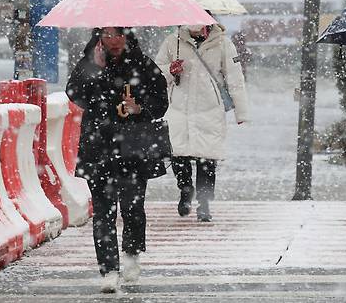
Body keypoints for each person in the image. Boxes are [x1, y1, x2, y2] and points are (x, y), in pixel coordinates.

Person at [66, 27, 169, 293]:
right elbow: (74, 93)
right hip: (98, 147)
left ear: (127, 36)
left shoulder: (143, 64)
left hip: (133, 149)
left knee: (133, 208)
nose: (114, 41)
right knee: (103, 212)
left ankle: (132, 254)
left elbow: (161, 103)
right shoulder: (89, 62)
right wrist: (95, 70)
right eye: (108, 35)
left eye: (119, 35)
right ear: (99, 36)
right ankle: (109, 269)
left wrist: (139, 108)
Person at [156, 21, 249, 222]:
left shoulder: (223, 44)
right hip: (179, 109)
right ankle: (185, 190)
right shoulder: (173, 42)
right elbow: (156, 73)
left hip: (210, 109)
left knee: (207, 158)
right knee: (178, 154)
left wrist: (241, 112)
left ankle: (205, 203)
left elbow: (235, 78)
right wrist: (170, 71)